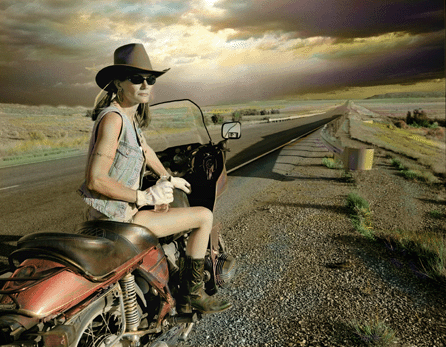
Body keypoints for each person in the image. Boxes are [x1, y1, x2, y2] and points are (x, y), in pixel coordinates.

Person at [78, 43, 231, 314]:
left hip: (113, 215)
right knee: (204, 216)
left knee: (167, 208)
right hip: (119, 220)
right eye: (136, 79)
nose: (145, 84)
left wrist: (167, 177)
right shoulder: (113, 119)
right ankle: (191, 295)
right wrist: (143, 196)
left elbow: (144, 149)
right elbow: (96, 180)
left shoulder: (128, 115)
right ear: (118, 83)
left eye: (150, 79)